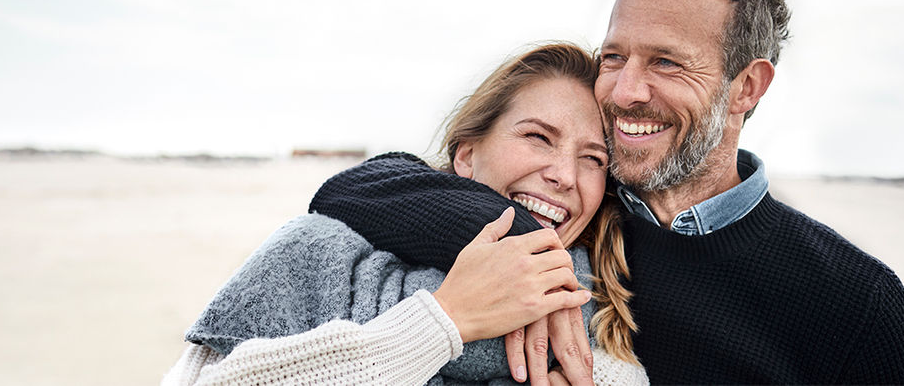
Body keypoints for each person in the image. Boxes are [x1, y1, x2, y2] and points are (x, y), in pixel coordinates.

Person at [361, 0, 904, 383]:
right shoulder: (576, 213)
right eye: (614, 56)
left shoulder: (855, 304)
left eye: (666, 63)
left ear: (746, 86)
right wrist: (525, 243)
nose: (625, 91)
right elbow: (357, 188)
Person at [161, 43, 647, 385]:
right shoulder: (317, 247)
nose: (564, 175)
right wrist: (443, 321)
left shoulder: (600, 317)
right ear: (466, 154)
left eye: (593, 158)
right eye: (537, 137)